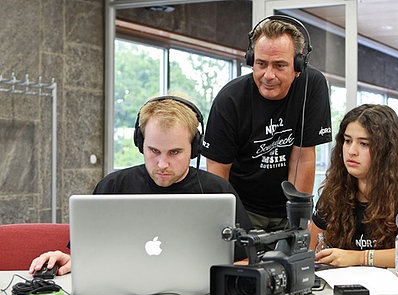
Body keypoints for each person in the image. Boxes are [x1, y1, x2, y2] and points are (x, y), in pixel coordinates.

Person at [28, 96, 252, 276]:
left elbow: (247, 258)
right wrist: (70, 261)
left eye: (175, 152)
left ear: (194, 149)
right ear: (140, 143)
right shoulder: (112, 187)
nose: (162, 164)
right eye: (154, 151)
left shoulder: (219, 193)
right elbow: (84, 256)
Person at [202, 15, 332, 233]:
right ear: (251, 60)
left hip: (287, 206)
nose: (268, 75)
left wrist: (298, 221)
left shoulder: (312, 86)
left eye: (280, 65)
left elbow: (303, 156)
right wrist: (223, 225)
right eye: (261, 64)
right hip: (243, 208)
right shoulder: (230, 99)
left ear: (298, 65)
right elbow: (217, 173)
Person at [308, 104, 398, 268]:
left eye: (364, 144)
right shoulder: (334, 191)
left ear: (386, 151)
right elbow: (311, 252)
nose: (351, 151)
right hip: (343, 287)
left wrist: (361, 257)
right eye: (347, 141)